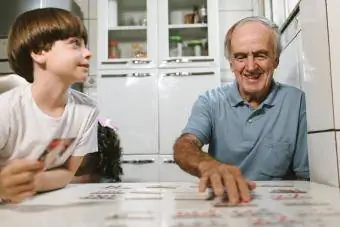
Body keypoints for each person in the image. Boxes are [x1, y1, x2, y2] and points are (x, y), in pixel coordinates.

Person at [173, 16, 309, 204]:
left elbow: (305, 179)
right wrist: (207, 164)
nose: (251, 66)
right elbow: (184, 146)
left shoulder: (297, 102)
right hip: (225, 206)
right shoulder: (210, 101)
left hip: (278, 209)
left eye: (260, 55)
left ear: (276, 60)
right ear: (231, 64)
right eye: (240, 57)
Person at [0, 7, 99, 203]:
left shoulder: (87, 110)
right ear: (38, 52)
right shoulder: (6, 109)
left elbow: (68, 172)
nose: (88, 53)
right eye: (75, 44)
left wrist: (33, 182)